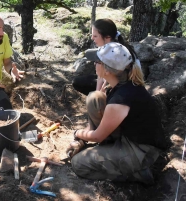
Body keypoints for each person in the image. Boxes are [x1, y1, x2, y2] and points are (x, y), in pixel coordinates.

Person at [66, 42, 167, 185]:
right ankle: (110, 149)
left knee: (78, 164)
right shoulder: (121, 85)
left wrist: (78, 133)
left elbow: (97, 136)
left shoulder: (120, 100)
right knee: (95, 98)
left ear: (107, 70)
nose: (94, 64)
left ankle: (140, 173)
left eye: (97, 62)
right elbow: (96, 127)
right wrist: (86, 134)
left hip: (141, 152)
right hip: (129, 137)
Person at [72, 18, 141, 95]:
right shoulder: (106, 47)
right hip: (111, 78)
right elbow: (101, 75)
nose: (92, 38)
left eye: (95, 36)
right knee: (78, 82)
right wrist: (98, 93)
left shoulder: (118, 53)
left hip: (123, 85)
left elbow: (115, 78)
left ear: (107, 37)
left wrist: (101, 94)